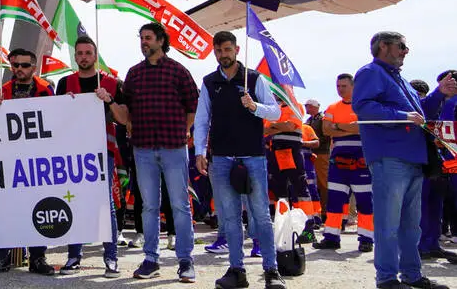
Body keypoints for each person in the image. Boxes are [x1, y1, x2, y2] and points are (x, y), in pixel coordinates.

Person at [353, 32, 448, 289]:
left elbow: (420, 113)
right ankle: (386, 279)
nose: (406, 51)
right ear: (383, 47)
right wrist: (402, 116)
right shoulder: (371, 72)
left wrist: (439, 93)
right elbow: (362, 107)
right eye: (402, 46)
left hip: (412, 157)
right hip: (390, 157)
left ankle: (412, 275)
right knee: (388, 224)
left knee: (411, 226)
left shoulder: (399, 79)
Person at [193, 31, 285, 289]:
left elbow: (275, 112)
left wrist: (255, 107)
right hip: (221, 157)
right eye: (218, 50)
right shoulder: (209, 82)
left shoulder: (254, 78)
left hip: (252, 156)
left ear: (236, 50)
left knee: (261, 215)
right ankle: (236, 270)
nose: (223, 54)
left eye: (227, 49)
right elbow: (202, 119)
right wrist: (200, 151)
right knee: (230, 217)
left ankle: (271, 271)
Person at [116, 22, 199, 282]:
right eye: (141, 38)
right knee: (149, 207)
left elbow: (193, 106)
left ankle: (185, 260)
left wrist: (184, 130)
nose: (144, 42)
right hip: (142, 149)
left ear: (161, 41)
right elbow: (126, 108)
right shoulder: (134, 74)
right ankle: (151, 259)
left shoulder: (178, 71)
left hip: (173, 147)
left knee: (180, 205)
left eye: (148, 38)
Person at [0, 48, 54, 276]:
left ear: (34, 67)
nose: (19, 69)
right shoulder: (4, 90)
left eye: (24, 65)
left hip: (37, 160)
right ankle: (3, 257)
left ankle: (37, 257)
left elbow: (58, 118)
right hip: (10, 160)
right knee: (7, 208)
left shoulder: (45, 89)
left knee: (38, 206)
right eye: (15, 65)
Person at [57, 36, 126, 275]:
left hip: (102, 150)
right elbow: (54, 118)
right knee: (74, 202)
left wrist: (109, 100)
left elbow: (124, 119)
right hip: (73, 151)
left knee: (105, 204)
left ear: (95, 56)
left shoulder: (112, 83)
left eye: (88, 53)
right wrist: (64, 105)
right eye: (80, 53)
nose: (84, 57)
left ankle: (111, 257)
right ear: (75, 56)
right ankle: (74, 256)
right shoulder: (64, 83)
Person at [315, 73, 375, 252]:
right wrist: (350, 127)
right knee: (334, 200)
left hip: (361, 159)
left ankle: (366, 238)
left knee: (365, 201)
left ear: (353, 87)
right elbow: (326, 130)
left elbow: (363, 128)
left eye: (344, 86)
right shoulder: (332, 107)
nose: (340, 89)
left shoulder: (363, 107)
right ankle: (331, 237)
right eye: (338, 86)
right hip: (338, 160)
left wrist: (338, 126)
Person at [421, 70, 457, 262]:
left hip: (447, 161)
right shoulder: (445, 103)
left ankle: (427, 244)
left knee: (431, 202)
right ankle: (429, 244)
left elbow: (444, 131)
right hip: (442, 162)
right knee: (435, 203)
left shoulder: (450, 104)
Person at [304, 98, 330, 215]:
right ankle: (319, 211)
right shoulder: (309, 120)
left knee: (323, 182)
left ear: (313, 107)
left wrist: (313, 142)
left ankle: (327, 211)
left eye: (307, 106)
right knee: (314, 183)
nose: (306, 108)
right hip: (311, 154)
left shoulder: (322, 119)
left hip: (321, 154)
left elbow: (326, 135)